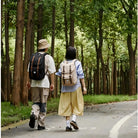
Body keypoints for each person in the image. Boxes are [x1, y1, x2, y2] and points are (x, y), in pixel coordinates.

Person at [56, 46, 87, 131]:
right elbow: (81, 75)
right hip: (75, 87)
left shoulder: (63, 62)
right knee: (77, 104)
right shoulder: (77, 62)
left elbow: (58, 74)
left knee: (66, 106)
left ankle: (67, 125)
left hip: (65, 88)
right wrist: (84, 87)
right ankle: (73, 120)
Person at [27, 39, 56, 130]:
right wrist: (52, 83)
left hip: (34, 83)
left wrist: (28, 82)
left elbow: (29, 71)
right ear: (46, 48)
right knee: (43, 103)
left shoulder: (33, 57)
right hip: (44, 83)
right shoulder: (48, 58)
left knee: (36, 102)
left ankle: (33, 113)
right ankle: (41, 124)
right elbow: (51, 72)